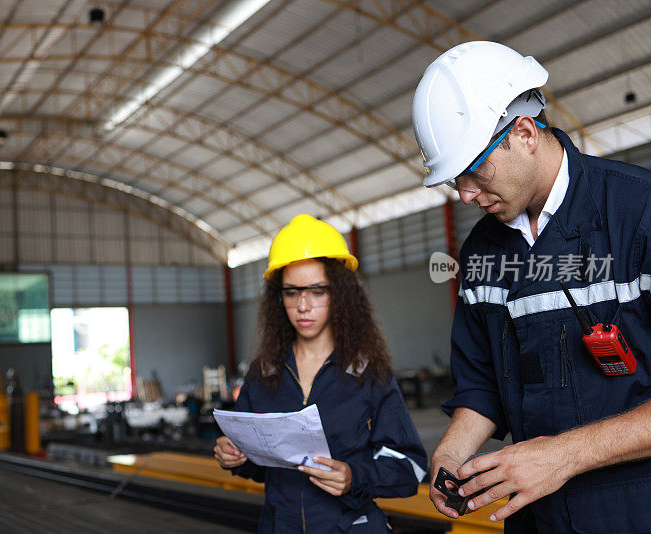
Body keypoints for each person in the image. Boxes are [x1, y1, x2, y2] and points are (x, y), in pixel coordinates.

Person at [412, 41, 651, 533]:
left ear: (523, 133)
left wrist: (562, 456)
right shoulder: (481, 254)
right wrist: (452, 452)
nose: (467, 195)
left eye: (475, 171)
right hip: (534, 518)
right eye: (455, 181)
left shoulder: (638, 215)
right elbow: (481, 385)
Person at [214, 214, 427, 533]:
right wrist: (234, 456)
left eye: (317, 291)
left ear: (339, 293)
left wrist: (355, 477)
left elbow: (409, 468)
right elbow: (258, 462)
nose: (302, 306)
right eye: (291, 292)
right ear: (278, 297)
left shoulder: (367, 371)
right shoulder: (265, 372)